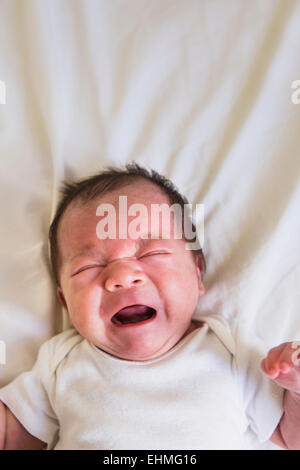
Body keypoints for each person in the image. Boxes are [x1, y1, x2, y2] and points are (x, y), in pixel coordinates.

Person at [0, 162, 299, 450]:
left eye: (151, 253)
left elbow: (291, 435)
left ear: (196, 274)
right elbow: (11, 438)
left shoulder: (230, 351)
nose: (122, 277)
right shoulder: (61, 362)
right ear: (64, 301)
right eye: (88, 267)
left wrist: (296, 392)